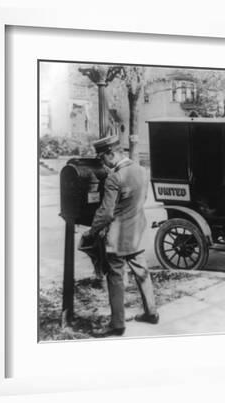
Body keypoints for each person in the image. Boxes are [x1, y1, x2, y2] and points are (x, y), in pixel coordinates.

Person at [86, 135, 159, 337]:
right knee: (142, 273)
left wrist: (92, 231)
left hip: (117, 237)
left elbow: (106, 212)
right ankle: (151, 313)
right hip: (137, 232)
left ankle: (117, 325)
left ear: (111, 153)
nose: (103, 164)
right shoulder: (142, 171)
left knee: (115, 277)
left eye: (103, 159)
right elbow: (141, 200)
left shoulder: (114, 177)